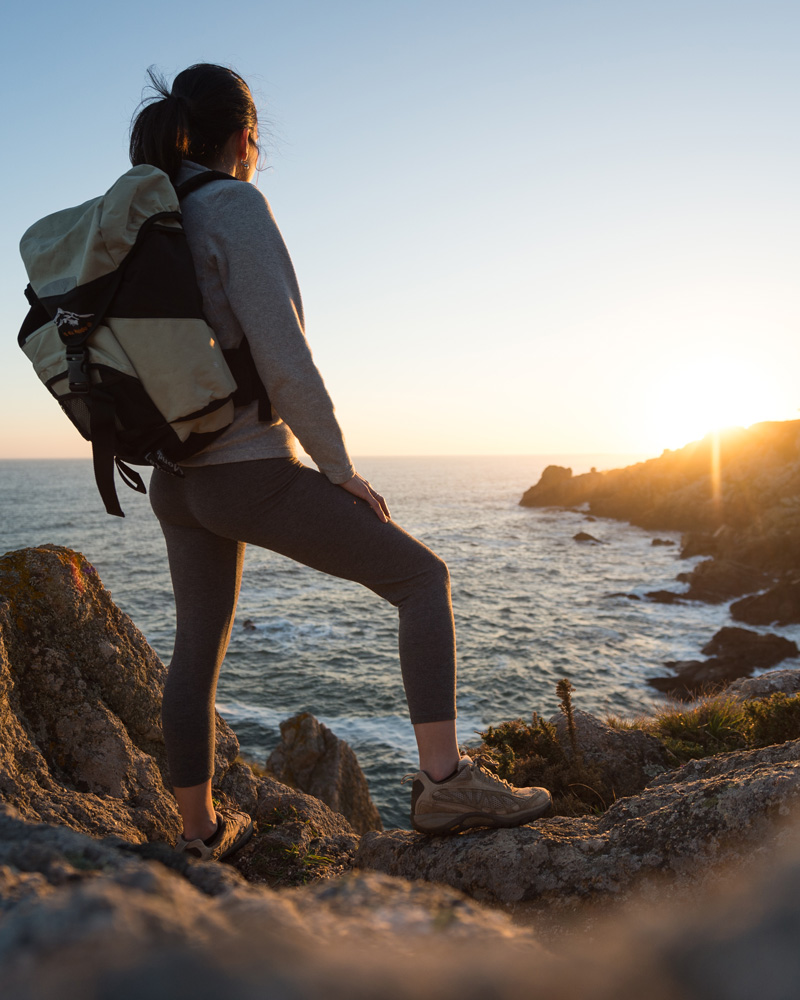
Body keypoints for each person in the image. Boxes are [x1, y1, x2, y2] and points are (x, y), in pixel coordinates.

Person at [130, 63, 551, 861]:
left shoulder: (154, 212)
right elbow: (286, 359)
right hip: (246, 470)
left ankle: (198, 834)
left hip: (174, 480)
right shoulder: (231, 203)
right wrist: (337, 469)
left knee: (194, 650)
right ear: (241, 137)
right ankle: (444, 782)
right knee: (422, 581)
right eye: (256, 140)